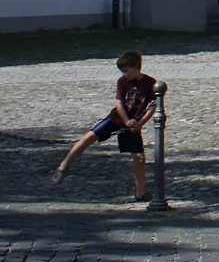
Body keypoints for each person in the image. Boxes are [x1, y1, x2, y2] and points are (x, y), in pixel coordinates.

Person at [52, 50, 158, 198]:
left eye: (126, 71)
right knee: (88, 138)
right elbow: (119, 103)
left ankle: (141, 193)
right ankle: (63, 167)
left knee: (139, 158)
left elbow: (152, 106)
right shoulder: (122, 82)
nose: (124, 74)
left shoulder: (150, 83)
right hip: (116, 119)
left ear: (136, 67)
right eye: (122, 71)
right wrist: (126, 120)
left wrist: (140, 123)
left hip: (133, 125)